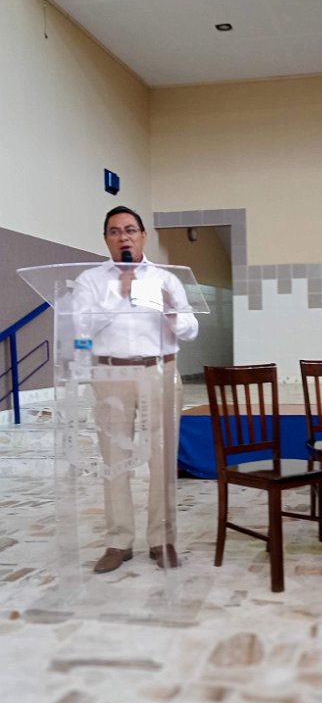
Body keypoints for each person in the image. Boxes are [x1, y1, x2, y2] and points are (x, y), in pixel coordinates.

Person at [72, 205, 199, 573]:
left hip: (160, 370)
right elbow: (81, 329)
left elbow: (191, 330)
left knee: (163, 458)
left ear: (143, 236)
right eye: (115, 231)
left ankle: (162, 539)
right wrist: (120, 292)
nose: (123, 237)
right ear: (106, 239)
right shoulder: (90, 280)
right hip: (110, 373)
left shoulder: (166, 279)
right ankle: (118, 541)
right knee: (114, 459)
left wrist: (172, 313)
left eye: (130, 230)